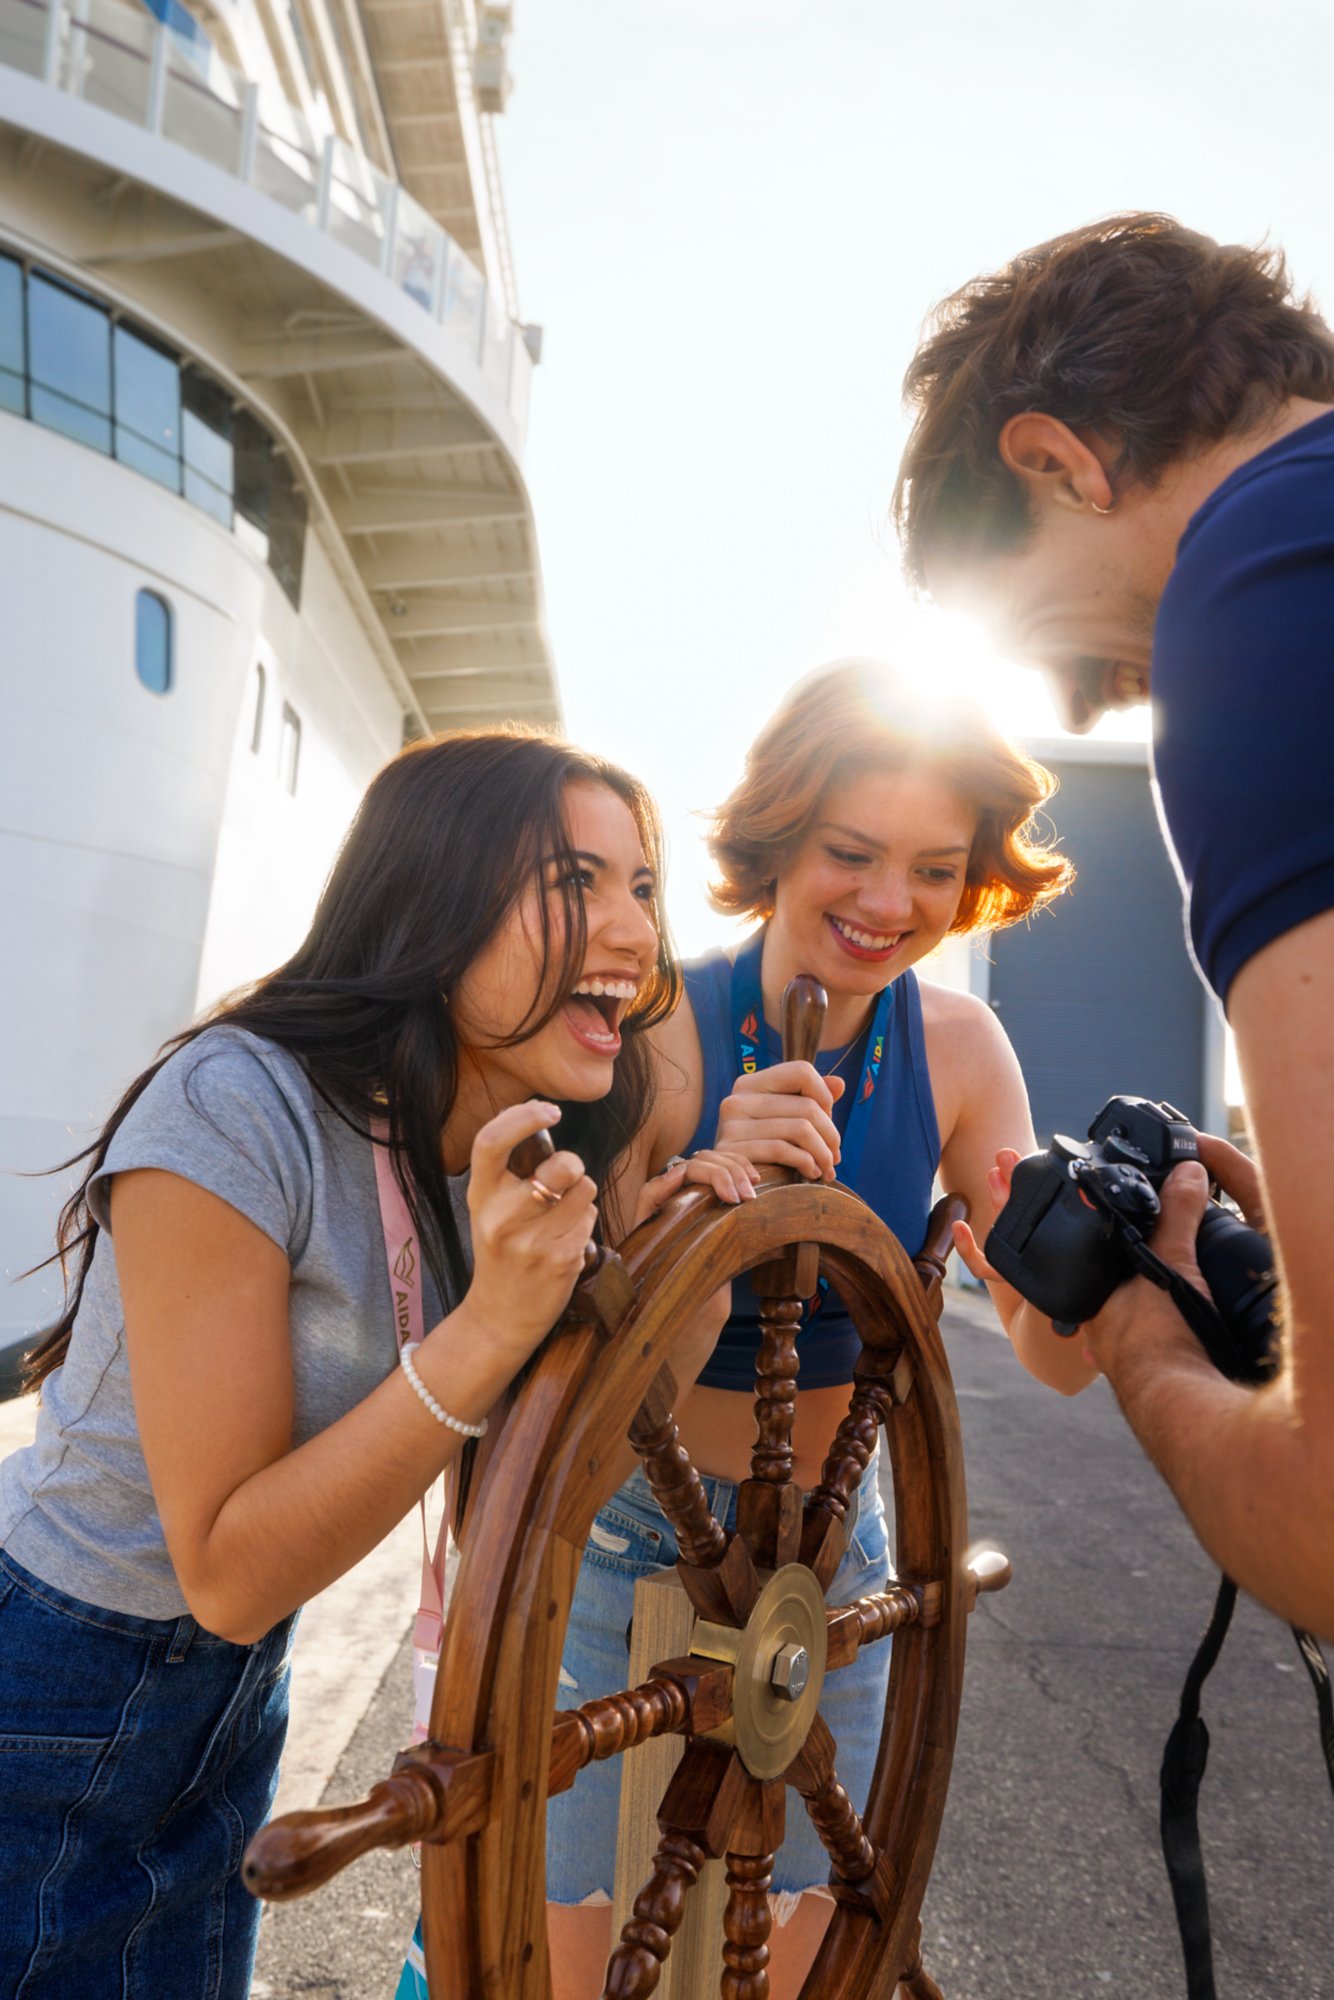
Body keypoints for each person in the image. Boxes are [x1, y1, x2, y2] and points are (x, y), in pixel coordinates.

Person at [0, 726, 708, 1999]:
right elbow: (222, 1568)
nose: (634, 933)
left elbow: (583, 1461)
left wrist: (693, 1230)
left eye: (642, 886)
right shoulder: (233, 1107)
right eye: (574, 883)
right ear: (430, 903)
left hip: (229, 1696)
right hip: (49, 1675)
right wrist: (489, 1324)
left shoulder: (499, 1144)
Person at [542, 662, 1091, 2000]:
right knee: (565, 1953)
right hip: (625, 1528)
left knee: (804, 1954)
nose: (885, 903)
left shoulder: (961, 1053)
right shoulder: (659, 1031)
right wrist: (689, 1192)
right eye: (848, 853)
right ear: (779, 841)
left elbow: (1056, 1354)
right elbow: (562, 1318)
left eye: (930, 868)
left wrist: (1100, 1264)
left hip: (829, 1562)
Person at [892, 212, 1334, 1640]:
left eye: (1032, 646)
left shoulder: (1258, 581)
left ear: (1055, 463)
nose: (1081, 712)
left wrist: (1141, 1324)